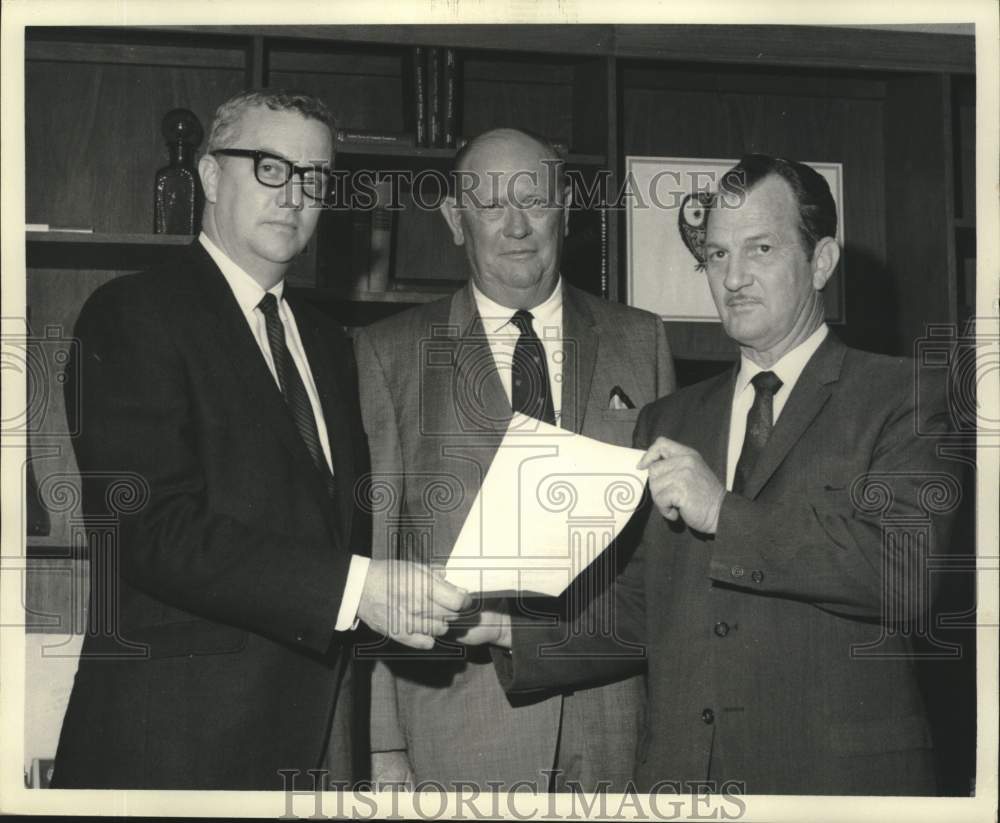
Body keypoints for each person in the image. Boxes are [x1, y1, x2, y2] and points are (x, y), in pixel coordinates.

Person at [468, 154, 961, 795]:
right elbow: (648, 609)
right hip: (685, 784)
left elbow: (904, 573)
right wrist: (509, 628)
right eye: (717, 254)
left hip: (838, 785)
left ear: (822, 261)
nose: (733, 277)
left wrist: (722, 511)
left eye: (760, 249)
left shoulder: (907, 396)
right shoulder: (669, 419)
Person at [51, 89, 468, 790]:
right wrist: (360, 585)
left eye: (313, 176)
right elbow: (149, 527)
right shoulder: (131, 313)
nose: (294, 194)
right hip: (173, 754)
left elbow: (331, 533)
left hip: (313, 747)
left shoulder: (331, 343)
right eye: (269, 168)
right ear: (212, 177)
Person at [354, 128, 676, 792]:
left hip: (615, 723)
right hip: (456, 732)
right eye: (492, 204)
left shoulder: (639, 339)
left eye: (535, 199)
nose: (518, 224)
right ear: (454, 219)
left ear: (566, 207)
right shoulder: (387, 353)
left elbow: (668, 561)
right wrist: (384, 745)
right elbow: (378, 554)